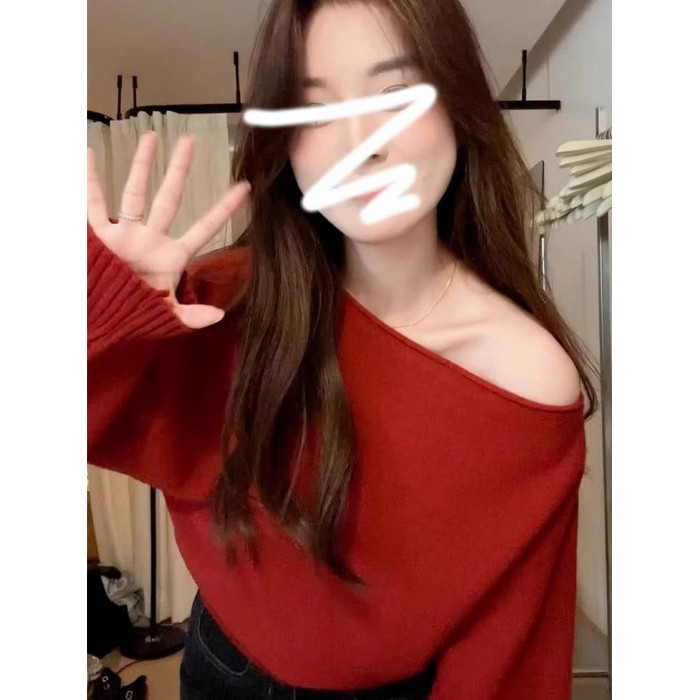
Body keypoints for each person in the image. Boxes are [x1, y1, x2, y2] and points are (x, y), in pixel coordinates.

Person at [87, 0, 598, 698]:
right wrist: (105, 308)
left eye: (395, 95)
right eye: (314, 110)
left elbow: (509, 655)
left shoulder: (525, 375)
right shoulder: (228, 298)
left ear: (458, 107)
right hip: (218, 662)